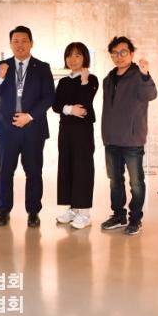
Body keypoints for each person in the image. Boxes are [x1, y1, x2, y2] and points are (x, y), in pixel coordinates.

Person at [0, 25, 55, 228]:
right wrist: (0, 77)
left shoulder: (42, 67)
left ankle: (33, 212)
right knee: (5, 172)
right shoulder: (2, 65)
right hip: (6, 129)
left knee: (34, 172)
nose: (20, 45)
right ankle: (3, 211)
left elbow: (49, 97)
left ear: (31, 43)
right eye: (15, 41)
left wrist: (30, 116)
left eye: (24, 41)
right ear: (10, 44)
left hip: (33, 129)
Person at [100, 36, 157, 236]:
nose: (119, 56)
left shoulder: (139, 76)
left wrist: (145, 75)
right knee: (115, 181)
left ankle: (135, 219)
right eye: (115, 53)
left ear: (131, 54)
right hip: (111, 139)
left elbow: (151, 95)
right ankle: (118, 216)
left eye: (123, 52)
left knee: (136, 183)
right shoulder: (108, 79)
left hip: (132, 140)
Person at [52, 42, 99, 229]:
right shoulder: (63, 82)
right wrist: (70, 109)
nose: (73, 59)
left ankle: (85, 213)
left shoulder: (91, 79)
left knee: (82, 168)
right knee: (67, 167)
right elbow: (56, 105)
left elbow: (86, 103)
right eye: (69, 55)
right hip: (65, 129)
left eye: (78, 55)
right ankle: (72, 208)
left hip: (83, 131)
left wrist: (84, 81)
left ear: (85, 58)